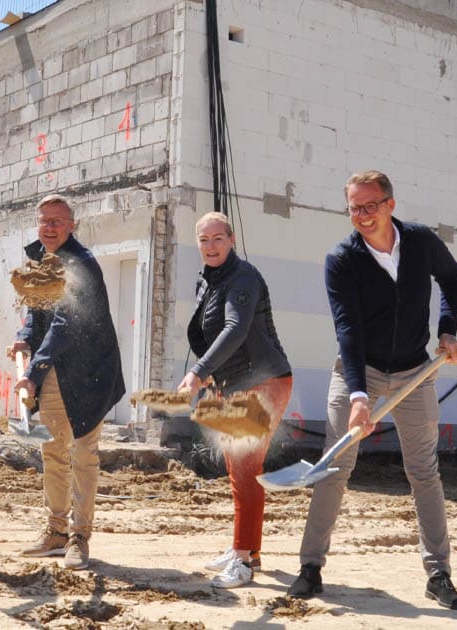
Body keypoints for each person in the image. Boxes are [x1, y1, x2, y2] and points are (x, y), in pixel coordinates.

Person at [288, 170, 457, 610]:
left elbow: (454, 280)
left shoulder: (421, 242)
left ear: (391, 204)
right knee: (334, 468)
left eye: (371, 205)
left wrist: (447, 331)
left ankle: (438, 573)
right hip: (360, 372)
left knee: (424, 472)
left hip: (415, 372)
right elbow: (348, 330)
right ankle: (310, 567)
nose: (363, 215)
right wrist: (357, 398)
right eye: (355, 207)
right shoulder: (342, 260)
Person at [7, 194, 125, 571]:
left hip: (89, 373)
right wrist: (26, 337)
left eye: (57, 221)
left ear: (72, 225)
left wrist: (32, 371)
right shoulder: (40, 260)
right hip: (55, 370)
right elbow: (36, 311)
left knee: (83, 454)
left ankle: (80, 537)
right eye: (44, 221)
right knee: (54, 451)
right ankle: (56, 531)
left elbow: (66, 323)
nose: (50, 227)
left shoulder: (82, 264)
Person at [177, 212, 293, 589]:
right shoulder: (209, 282)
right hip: (235, 385)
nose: (211, 247)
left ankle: (243, 562)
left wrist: (197, 372)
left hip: (265, 382)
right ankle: (246, 548)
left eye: (218, 239)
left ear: (232, 240)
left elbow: (236, 328)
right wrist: (212, 375)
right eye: (204, 240)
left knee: (244, 469)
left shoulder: (244, 277)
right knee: (238, 470)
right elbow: (216, 335)